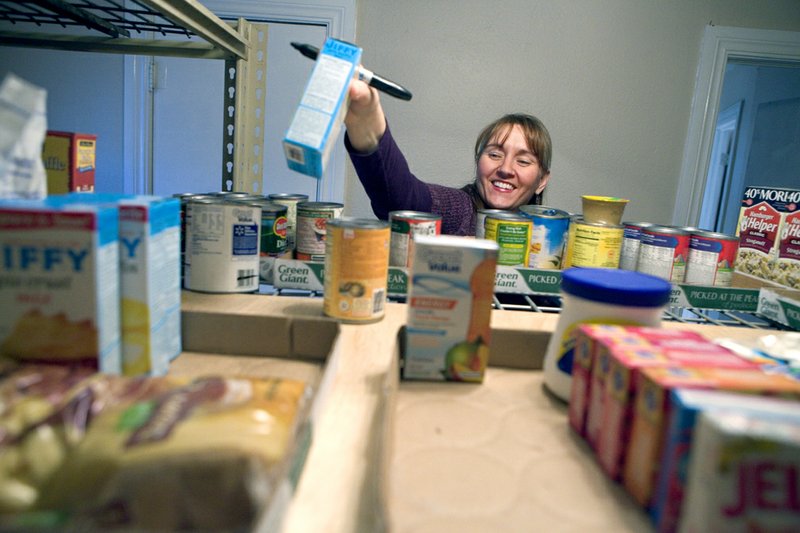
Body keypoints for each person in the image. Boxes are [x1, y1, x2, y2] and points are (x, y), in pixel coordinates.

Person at [344, 79, 552, 235]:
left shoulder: (551, 238)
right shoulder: (461, 210)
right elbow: (403, 198)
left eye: (523, 161)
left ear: (542, 181)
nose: (506, 168)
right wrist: (365, 117)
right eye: (495, 154)